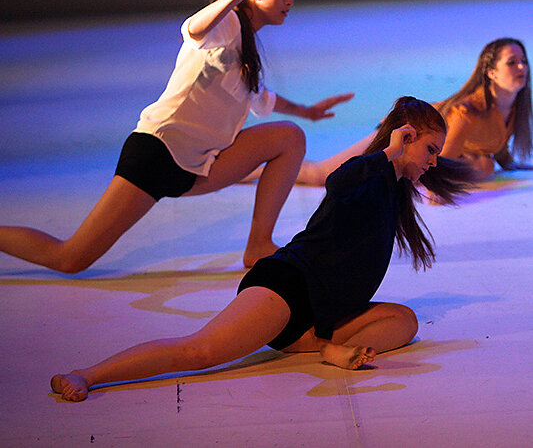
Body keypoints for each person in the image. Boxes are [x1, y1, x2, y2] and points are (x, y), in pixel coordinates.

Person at [51, 96, 476, 402]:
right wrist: (388, 152)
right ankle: (88, 374)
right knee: (201, 351)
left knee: (403, 320)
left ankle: (327, 348)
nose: (433, 161)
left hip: (319, 316)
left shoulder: (395, 189)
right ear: (405, 137)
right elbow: (336, 182)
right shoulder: (369, 174)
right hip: (287, 286)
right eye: (429, 150)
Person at [0, 0, 352, 272]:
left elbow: (262, 98)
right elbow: (192, 30)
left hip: (201, 164)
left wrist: (307, 111)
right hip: (157, 153)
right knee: (71, 258)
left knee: (289, 136)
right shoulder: (228, 22)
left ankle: (259, 244)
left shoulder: (245, 43)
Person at [244, 38, 532, 186]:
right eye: (512, 62)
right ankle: (246, 168)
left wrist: (501, 163)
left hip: (412, 149)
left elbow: (495, 142)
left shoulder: (514, 107)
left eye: (524, 61)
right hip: (398, 135)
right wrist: (479, 168)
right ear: (491, 72)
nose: (522, 67)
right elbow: (437, 168)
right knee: (320, 176)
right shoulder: (465, 112)